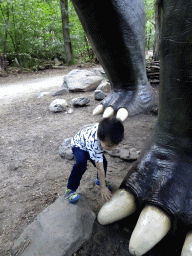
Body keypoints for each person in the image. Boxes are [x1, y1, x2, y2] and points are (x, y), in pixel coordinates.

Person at [64, 117, 124, 203]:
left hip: (89, 144)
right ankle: (70, 190)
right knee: (81, 163)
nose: (112, 148)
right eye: (109, 146)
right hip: (79, 145)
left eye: (116, 144)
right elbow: (99, 169)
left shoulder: (106, 130)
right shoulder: (95, 144)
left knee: (104, 163)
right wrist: (103, 187)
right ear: (100, 139)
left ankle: (99, 180)